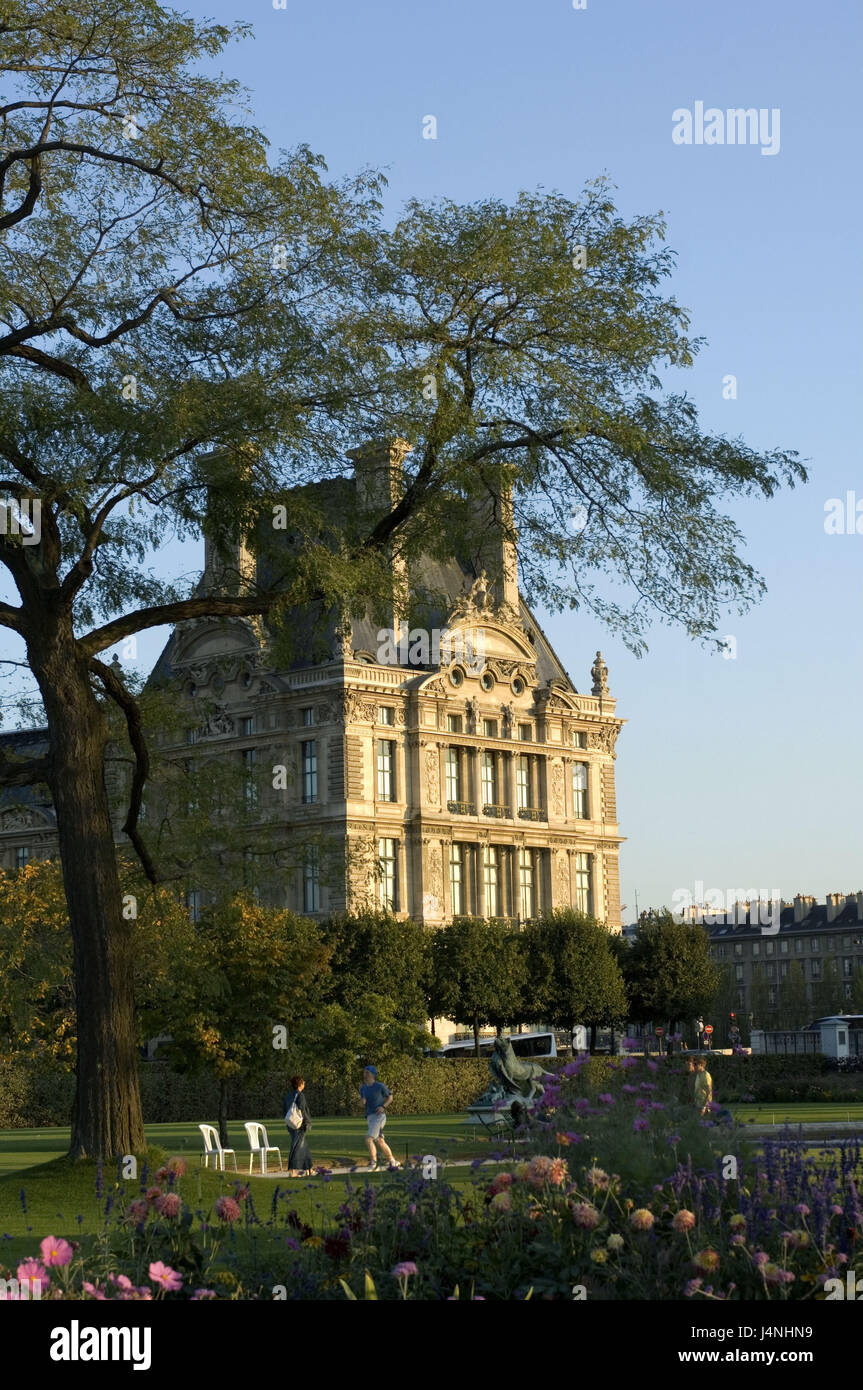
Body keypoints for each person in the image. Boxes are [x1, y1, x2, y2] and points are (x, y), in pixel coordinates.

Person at [359, 1065, 400, 1172]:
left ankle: (374, 1164)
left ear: (373, 1074)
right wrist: (362, 1102)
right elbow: (362, 1102)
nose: (365, 1074)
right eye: (364, 1072)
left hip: (379, 1117)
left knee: (368, 1139)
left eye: (367, 1072)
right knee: (380, 1141)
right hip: (370, 1117)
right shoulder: (362, 1088)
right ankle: (392, 1161)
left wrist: (383, 1106)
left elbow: (390, 1097)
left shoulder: (380, 1086)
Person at [283, 1075, 313, 1176]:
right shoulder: (300, 1095)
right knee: (297, 1146)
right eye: (303, 1082)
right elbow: (303, 1110)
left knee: (303, 1145)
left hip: (290, 1124)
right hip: (299, 1124)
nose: (304, 1084)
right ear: (300, 1084)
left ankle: (309, 1168)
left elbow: (285, 1110)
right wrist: (307, 1122)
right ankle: (293, 1170)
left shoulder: (288, 1096)